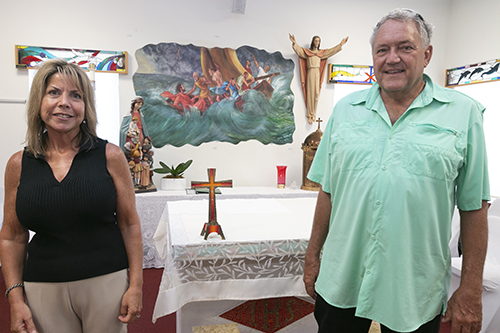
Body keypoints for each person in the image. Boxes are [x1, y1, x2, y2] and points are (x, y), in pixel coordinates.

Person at [305, 8, 489, 333]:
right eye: (382, 49)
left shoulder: (464, 114)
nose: (392, 58)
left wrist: (471, 288)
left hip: (414, 285)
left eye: (405, 47)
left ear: (427, 54)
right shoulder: (345, 111)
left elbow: (474, 207)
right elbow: (328, 191)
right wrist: (312, 255)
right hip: (341, 275)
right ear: (373, 57)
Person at [0, 59, 143, 333]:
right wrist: (15, 298)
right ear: (38, 102)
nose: (64, 102)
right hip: (43, 285)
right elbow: (12, 236)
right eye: (54, 92)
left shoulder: (110, 156)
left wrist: (135, 285)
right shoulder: (18, 164)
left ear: (85, 107)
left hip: (106, 280)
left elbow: (129, 223)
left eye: (75, 96)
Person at [289, 33, 348, 124]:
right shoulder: (307, 52)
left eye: (318, 41)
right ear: (313, 42)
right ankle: (309, 114)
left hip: (317, 73)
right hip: (310, 72)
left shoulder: (321, 53)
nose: (317, 42)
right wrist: (294, 43)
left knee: (316, 93)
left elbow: (331, 51)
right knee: (310, 93)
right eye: (316, 41)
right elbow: (299, 51)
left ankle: (314, 113)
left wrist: (340, 45)